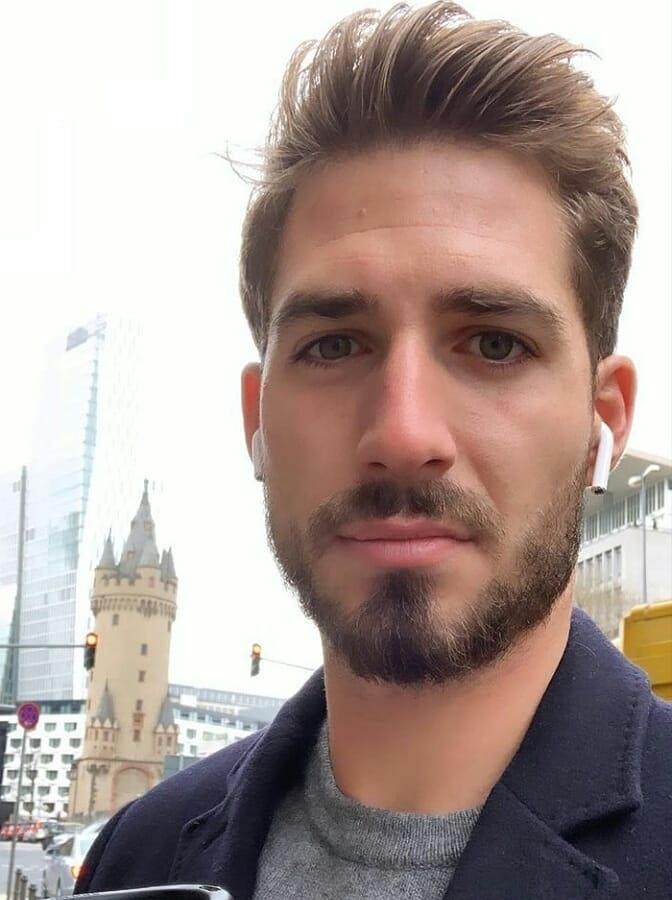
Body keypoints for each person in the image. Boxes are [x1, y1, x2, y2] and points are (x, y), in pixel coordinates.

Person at [76, 4, 671, 899]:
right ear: (257, 419)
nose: (402, 433)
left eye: (495, 344)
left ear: (604, 420)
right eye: (333, 346)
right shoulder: (137, 855)